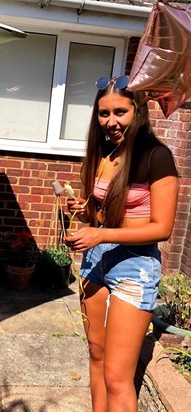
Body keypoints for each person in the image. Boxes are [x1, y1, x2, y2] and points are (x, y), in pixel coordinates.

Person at [65, 75, 179, 412]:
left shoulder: (156, 157)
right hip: (95, 262)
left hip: (134, 266)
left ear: (138, 111)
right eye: (103, 114)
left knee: (117, 377)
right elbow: (100, 213)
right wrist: (85, 210)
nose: (110, 122)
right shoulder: (102, 152)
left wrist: (101, 233)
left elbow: (162, 228)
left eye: (120, 112)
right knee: (96, 355)